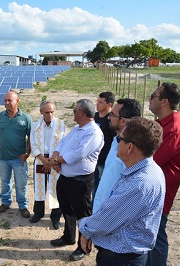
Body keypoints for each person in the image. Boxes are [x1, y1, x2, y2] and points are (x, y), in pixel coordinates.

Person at [79, 117, 165, 266]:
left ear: (129, 147)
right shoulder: (149, 170)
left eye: (120, 139)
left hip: (121, 259)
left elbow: (104, 221)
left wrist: (85, 228)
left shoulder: (138, 184)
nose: (117, 142)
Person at [49, 99, 103, 261]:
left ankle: (83, 247)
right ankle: (68, 237)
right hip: (65, 177)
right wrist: (55, 156)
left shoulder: (93, 132)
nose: (73, 113)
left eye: (74, 111)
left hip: (80, 181)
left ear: (82, 113)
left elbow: (79, 154)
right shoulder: (77, 129)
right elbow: (62, 143)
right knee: (67, 209)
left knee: (83, 215)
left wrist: (57, 161)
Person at [146, 82, 180, 266]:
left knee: (156, 235)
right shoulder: (161, 123)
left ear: (165, 101)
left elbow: (153, 160)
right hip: (153, 188)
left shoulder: (174, 128)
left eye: (153, 95)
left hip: (161, 192)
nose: (150, 99)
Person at [93, 99, 142, 213]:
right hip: (101, 211)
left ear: (123, 121)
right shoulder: (116, 141)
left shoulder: (133, 151)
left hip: (112, 215)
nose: (109, 118)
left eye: (112, 115)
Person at [0, 90, 32, 218]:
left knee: (21, 183)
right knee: (5, 182)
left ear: (17, 101)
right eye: (5, 100)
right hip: (3, 158)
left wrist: (27, 153)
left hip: (20, 158)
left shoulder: (25, 118)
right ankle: (5, 202)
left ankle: (23, 205)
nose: (7, 103)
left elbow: (31, 136)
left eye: (10, 100)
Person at [29, 101, 65, 229]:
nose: (50, 115)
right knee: (39, 188)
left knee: (55, 189)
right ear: (41, 113)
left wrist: (52, 161)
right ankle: (38, 213)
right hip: (40, 159)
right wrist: (44, 160)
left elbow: (62, 142)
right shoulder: (35, 125)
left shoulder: (60, 124)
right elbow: (33, 143)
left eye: (52, 112)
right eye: (47, 112)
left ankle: (55, 217)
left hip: (54, 160)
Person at [92, 92, 116, 202]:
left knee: (102, 188)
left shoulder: (111, 121)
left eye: (101, 102)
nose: (97, 104)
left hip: (104, 161)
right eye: (97, 101)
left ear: (109, 104)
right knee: (93, 187)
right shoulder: (95, 117)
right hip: (93, 159)